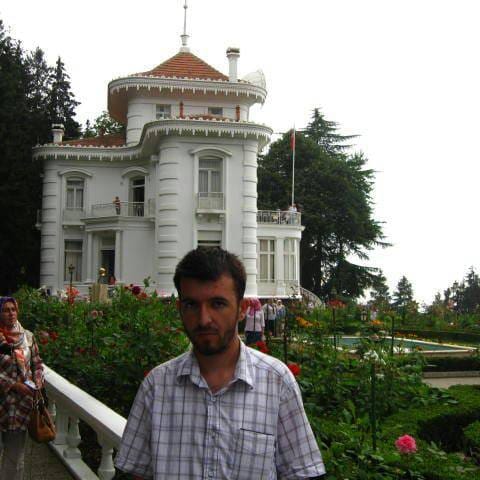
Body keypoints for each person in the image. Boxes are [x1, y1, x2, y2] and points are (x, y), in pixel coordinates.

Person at [115, 248, 325, 479]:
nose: (204, 319)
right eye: (191, 305)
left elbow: (303, 472)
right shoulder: (157, 387)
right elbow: (131, 473)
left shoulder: (276, 383)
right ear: (180, 309)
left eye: (217, 304)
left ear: (242, 310)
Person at [0, 297, 44, 480]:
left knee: (15, 458)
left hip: (21, 406)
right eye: (5, 310)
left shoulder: (28, 337)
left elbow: (37, 364)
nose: (11, 313)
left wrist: (38, 381)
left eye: (13, 309)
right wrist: (12, 384)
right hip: (2, 403)